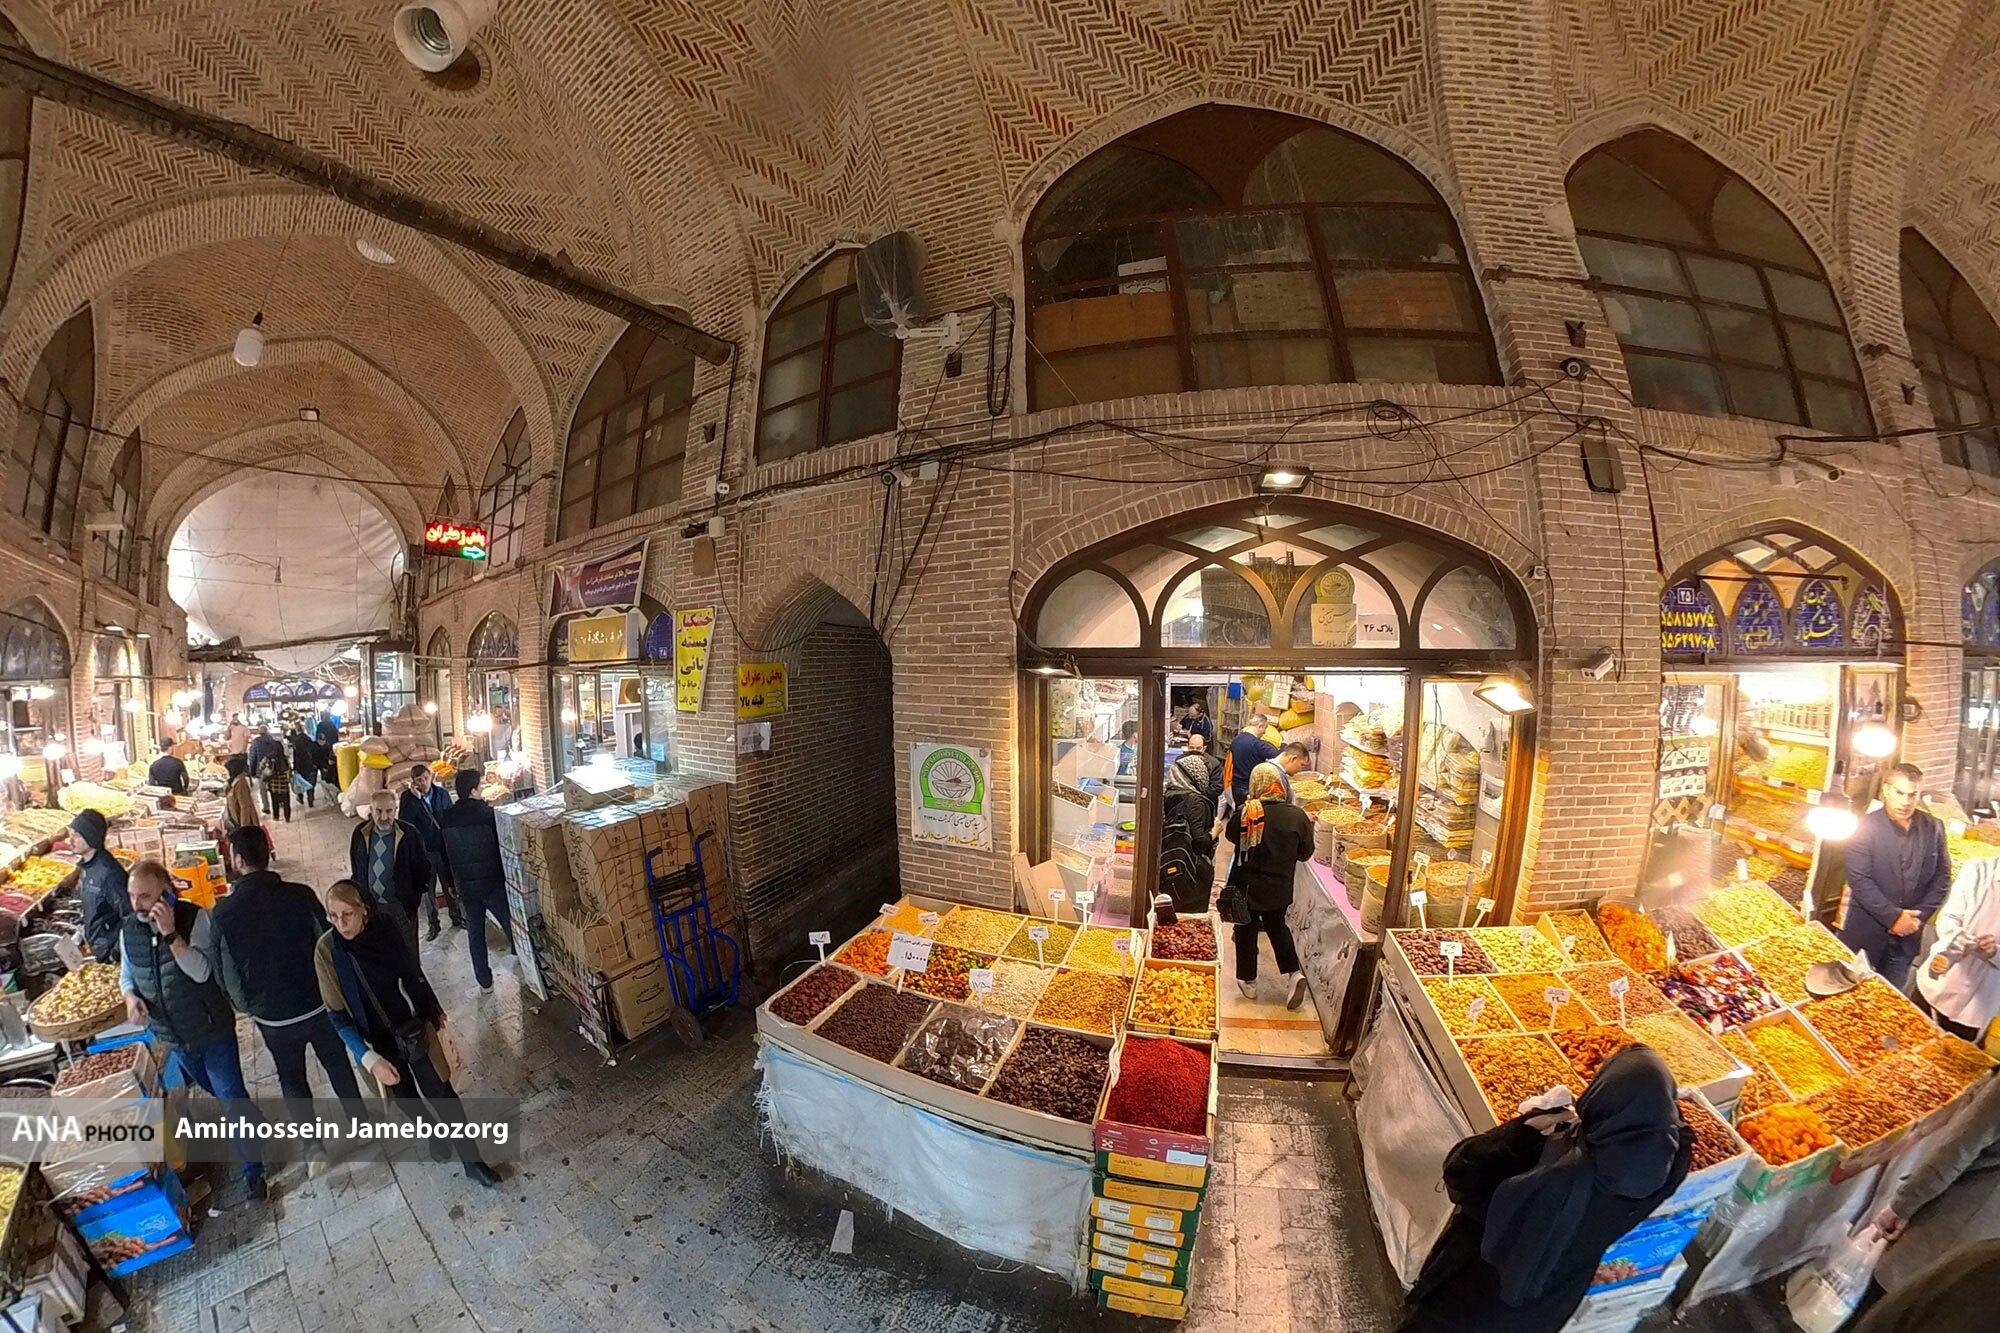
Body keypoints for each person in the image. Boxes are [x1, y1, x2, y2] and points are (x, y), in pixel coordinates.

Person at [1400, 1046, 1693, 1333]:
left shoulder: (1554, 1165)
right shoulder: (1665, 1171)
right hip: (1547, 1307)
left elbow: (1461, 1173)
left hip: (1474, 1295)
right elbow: (1676, 1130)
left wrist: (1525, 1127)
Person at [315, 880, 501, 1187]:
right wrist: (368, 1058)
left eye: (348, 914)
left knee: (442, 1093)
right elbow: (336, 1016)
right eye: (333, 916)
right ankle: (433, 1134)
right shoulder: (327, 951)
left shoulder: (385, 927)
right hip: (377, 1043)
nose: (341, 924)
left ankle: (472, 1161)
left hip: (412, 1026)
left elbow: (411, 971)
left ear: (364, 910)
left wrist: (434, 1010)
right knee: (406, 1099)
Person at [117, 859, 264, 1199]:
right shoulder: (129, 931)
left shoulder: (195, 918)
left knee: (230, 1098)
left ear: (165, 892)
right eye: (132, 896)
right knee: (215, 1089)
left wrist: (171, 934)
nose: (137, 904)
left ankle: (254, 1172)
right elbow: (126, 974)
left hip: (211, 1029)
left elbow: (201, 972)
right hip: (174, 1037)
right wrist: (130, 997)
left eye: (145, 896)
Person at [211, 827, 363, 1108]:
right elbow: (328, 944)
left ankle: (308, 1136)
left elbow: (224, 971)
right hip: (318, 1004)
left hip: (273, 1018)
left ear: (239, 860)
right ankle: (360, 1122)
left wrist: (248, 1006)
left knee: (291, 1078)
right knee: (338, 1064)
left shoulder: (223, 913)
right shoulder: (301, 895)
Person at [1840, 763, 1951, 989]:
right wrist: (1893, 918)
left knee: (1891, 1001)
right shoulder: (1865, 826)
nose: (1906, 801)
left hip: (1906, 941)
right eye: (1900, 793)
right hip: (1866, 936)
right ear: (1886, 791)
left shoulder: (1934, 827)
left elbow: (1942, 878)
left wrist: (1917, 918)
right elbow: (1859, 879)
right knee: (1849, 997)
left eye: (1912, 795)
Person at [1223, 763, 1314, 1007]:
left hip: (1248, 887)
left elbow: (1230, 836)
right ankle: (1293, 973)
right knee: (1277, 927)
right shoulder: (1297, 816)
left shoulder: (1247, 813)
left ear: (1255, 784)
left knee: (1246, 929)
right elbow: (1306, 853)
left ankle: (1249, 982)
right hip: (1279, 888)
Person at [439, 769, 516, 990]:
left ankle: (484, 979)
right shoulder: (488, 815)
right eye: (480, 786)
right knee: (510, 923)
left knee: (475, 933)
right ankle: (524, 959)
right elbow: (502, 847)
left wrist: (450, 884)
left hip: (465, 886)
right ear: (473, 791)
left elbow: (444, 855)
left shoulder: (446, 818)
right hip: (491, 883)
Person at [1916, 847, 2000, 1042]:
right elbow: (1949, 917)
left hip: (1975, 1008)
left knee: (1947, 1058)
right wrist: (1959, 938)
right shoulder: (1978, 870)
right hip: (1937, 985)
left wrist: (1994, 952)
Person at [350, 789, 434, 954]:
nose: (383, 817)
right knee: (380, 953)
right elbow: (356, 867)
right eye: (378, 811)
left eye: (389, 811)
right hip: (372, 907)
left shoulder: (409, 834)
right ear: (371, 810)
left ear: (396, 810)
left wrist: (412, 898)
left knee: (408, 953)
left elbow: (423, 868)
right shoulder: (360, 834)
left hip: (401, 907)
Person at [400, 765, 462, 939]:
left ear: (431, 777)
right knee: (428, 890)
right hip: (424, 850)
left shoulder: (442, 794)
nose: (423, 783)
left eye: (425, 778)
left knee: (449, 883)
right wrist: (417, 799)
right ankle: (433, 924)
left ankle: (456, 916)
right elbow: (404, 822)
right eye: (419, 780)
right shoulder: (407, 798)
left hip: (442, 847)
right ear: (414, 782)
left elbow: (449, 816)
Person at [71, 809, 130, 963]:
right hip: (98, 947)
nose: (71, 840)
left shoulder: (109, 873)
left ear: (91, 837)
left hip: (110, 951)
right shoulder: (87, 867)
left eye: (77, 835)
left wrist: (115, 952)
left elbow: (130, 915)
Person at [1227, 706, 1281, 808]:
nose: (1264, 732)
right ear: (1260, 726)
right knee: (1251, 814)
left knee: (1240, 812)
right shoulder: (1257, 744)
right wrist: (1283, 746)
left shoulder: (1236, 739)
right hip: (1249, 788)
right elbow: (1279, 755)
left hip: (1235, 787)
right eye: (1265, 728)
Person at [253, 727, 292, 823]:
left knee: (275, 800)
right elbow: (289, 769)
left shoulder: (268, 758)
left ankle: (276, 816)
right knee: (286, 801)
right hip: (284, 784)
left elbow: (261, 767)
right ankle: (287, 817)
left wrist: (267, 771)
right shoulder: (284, 759)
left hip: (273, 784)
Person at [222, 755, 261, 840]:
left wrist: (244, 827)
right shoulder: (234, 781)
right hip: (238, 821)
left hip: (246, 824)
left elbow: (245, 806)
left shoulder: (241, 783)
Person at [288, 725, 321, 811]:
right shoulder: (310, 739)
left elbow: (295, 756)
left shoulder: (296, 741)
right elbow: (315, 752)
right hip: (311, 765)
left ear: (297, 731)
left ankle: (300, 797)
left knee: (300, 782)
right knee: (310, 783)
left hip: (300, 766)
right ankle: (310, 800)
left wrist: (295, 768)